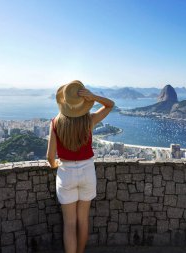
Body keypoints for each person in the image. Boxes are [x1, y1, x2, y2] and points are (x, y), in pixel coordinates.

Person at [47, 80, 114, 253]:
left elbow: (50, 157)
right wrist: (93, 97)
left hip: (66, 173)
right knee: (83, 220)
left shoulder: (55, 123)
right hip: (87, 172)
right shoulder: (89, 121)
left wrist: (55, 164)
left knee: (69, 224)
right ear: (82, 103)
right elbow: (110, 105)